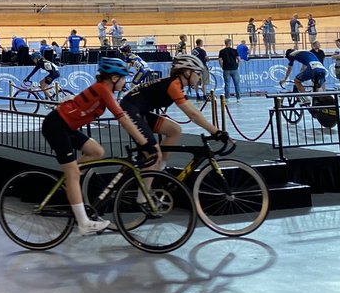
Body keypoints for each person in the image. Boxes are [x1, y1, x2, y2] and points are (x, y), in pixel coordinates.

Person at [42, 56, 158, 236]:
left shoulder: (104, 89)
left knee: (97, 151)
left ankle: (71, 179)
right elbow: (124, 120)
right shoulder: (103, 89)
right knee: (73, 173)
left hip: (66, 125)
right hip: (56, 125)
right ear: (114, 78)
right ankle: (83, 223)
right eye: (123, 77)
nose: (125, 81)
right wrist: (145, 144)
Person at [120, 54, 229, 173]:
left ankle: (160, 169)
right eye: (197, 73)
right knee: (154, 157)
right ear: (187, 72)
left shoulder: (175, 84)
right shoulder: (173, 85)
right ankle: (147, 189)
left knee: (174, 130)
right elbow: (192, 115)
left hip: (137, 110)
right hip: (130, 110)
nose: (199, 77)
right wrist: (215, 131)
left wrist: (214, 130)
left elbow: (193, 110)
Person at [218, 38, 241, 102]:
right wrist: (237, 65)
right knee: (236, 84)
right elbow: (239, 59)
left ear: (225, 43)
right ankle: (238, 98)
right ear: (230, 43)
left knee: (227, 84)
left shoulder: (222, 51)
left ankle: (227, 98)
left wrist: (222, 66)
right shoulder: (234, 50)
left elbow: (220, 60)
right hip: (234, 68)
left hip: (226, 69)